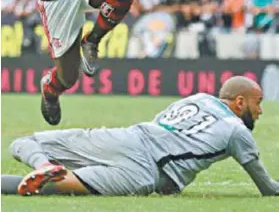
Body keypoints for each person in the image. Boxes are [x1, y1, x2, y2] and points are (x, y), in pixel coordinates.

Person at [2, 76, 279, 197]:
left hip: (128, 137)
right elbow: (268, 188)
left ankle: (42, 165)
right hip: (145, 171)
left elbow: (162, 123)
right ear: (240, 102)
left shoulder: (198, 98)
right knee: (56, 187)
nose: (261, 110)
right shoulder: (236, 130)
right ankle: (47, 175)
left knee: (24, 143)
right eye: (258, 103)